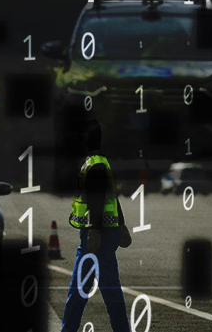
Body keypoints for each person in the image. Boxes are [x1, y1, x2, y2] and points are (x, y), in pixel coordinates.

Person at [61, 118, 132, 332]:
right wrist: (122, 224)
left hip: (97, 237)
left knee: (79, 291)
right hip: (104, 234)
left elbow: (98, 198)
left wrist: (94, 230)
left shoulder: (95, 164)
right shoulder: (98, 162)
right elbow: (112, 197)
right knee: (107, 290)